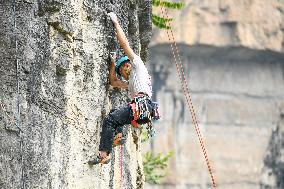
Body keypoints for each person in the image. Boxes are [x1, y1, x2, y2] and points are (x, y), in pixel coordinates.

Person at [88, 12, 159, 165]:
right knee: (115, 114)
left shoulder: (138, 66)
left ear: (128, 65)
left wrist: (116, 23)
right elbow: (113, 82)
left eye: (123, 70)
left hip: (142, 106)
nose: (123, 75)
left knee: (110, 120)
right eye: (121, 73)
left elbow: (125, 44)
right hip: (142, 108)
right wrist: (113, 65)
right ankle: (117, 136)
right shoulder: (134, 82)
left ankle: (103, 154)